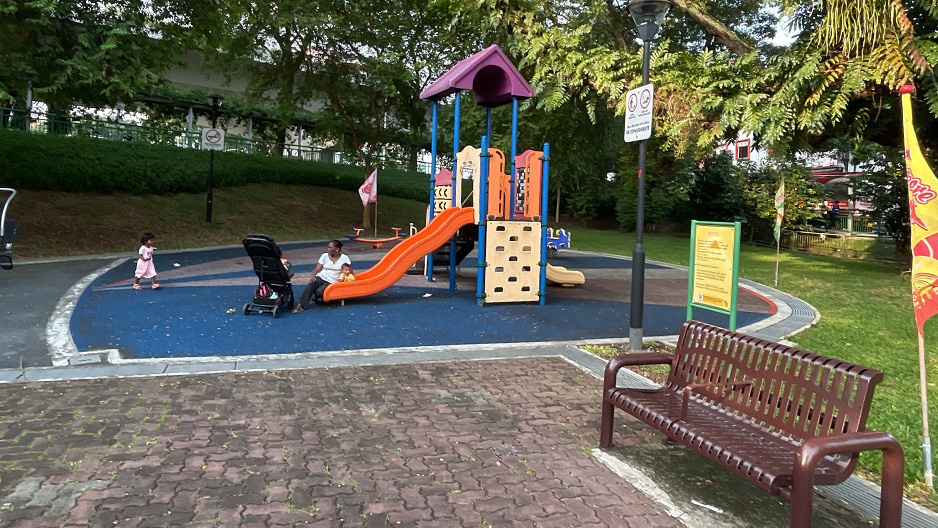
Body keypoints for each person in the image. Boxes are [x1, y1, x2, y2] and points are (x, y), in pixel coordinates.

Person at [293, 240, 350, 313]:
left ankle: (314, 295)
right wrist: (313, 275)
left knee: (319, 292)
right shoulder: (324, 256)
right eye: (328, 247)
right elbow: (318, 268)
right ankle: (300, 305)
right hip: (321, 276)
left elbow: (349, 271)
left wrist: (347, 281)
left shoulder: (344, 258)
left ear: (337, 249)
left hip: (332, 281)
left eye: (330, 248)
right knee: (311, 285)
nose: (328, 249)